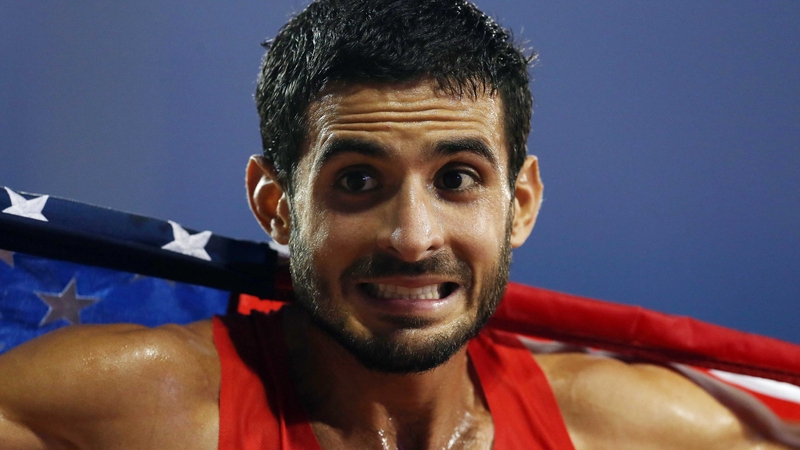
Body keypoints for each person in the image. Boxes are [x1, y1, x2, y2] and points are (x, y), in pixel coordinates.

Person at [0, 0, 794, 448]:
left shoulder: (640, 433)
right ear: (276, 205)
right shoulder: (134, 408)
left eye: (457, 179)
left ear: (519, 204)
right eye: (357, 182)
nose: (414, 238)